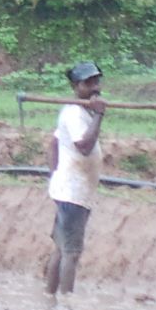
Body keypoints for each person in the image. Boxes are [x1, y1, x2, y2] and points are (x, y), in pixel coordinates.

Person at [44, 61, 107, 295]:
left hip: (69, 190)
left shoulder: (80, 112)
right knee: (71, 252)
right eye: (88, 83)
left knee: (61, 249)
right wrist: (99, 116)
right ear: (76, 86)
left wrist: (56, 177)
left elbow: (54, 143)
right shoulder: (74, 113)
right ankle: (66, 304)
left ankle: (50, 297)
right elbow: (84, 146)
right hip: (73, 194)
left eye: (96, 82)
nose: (94, 87)